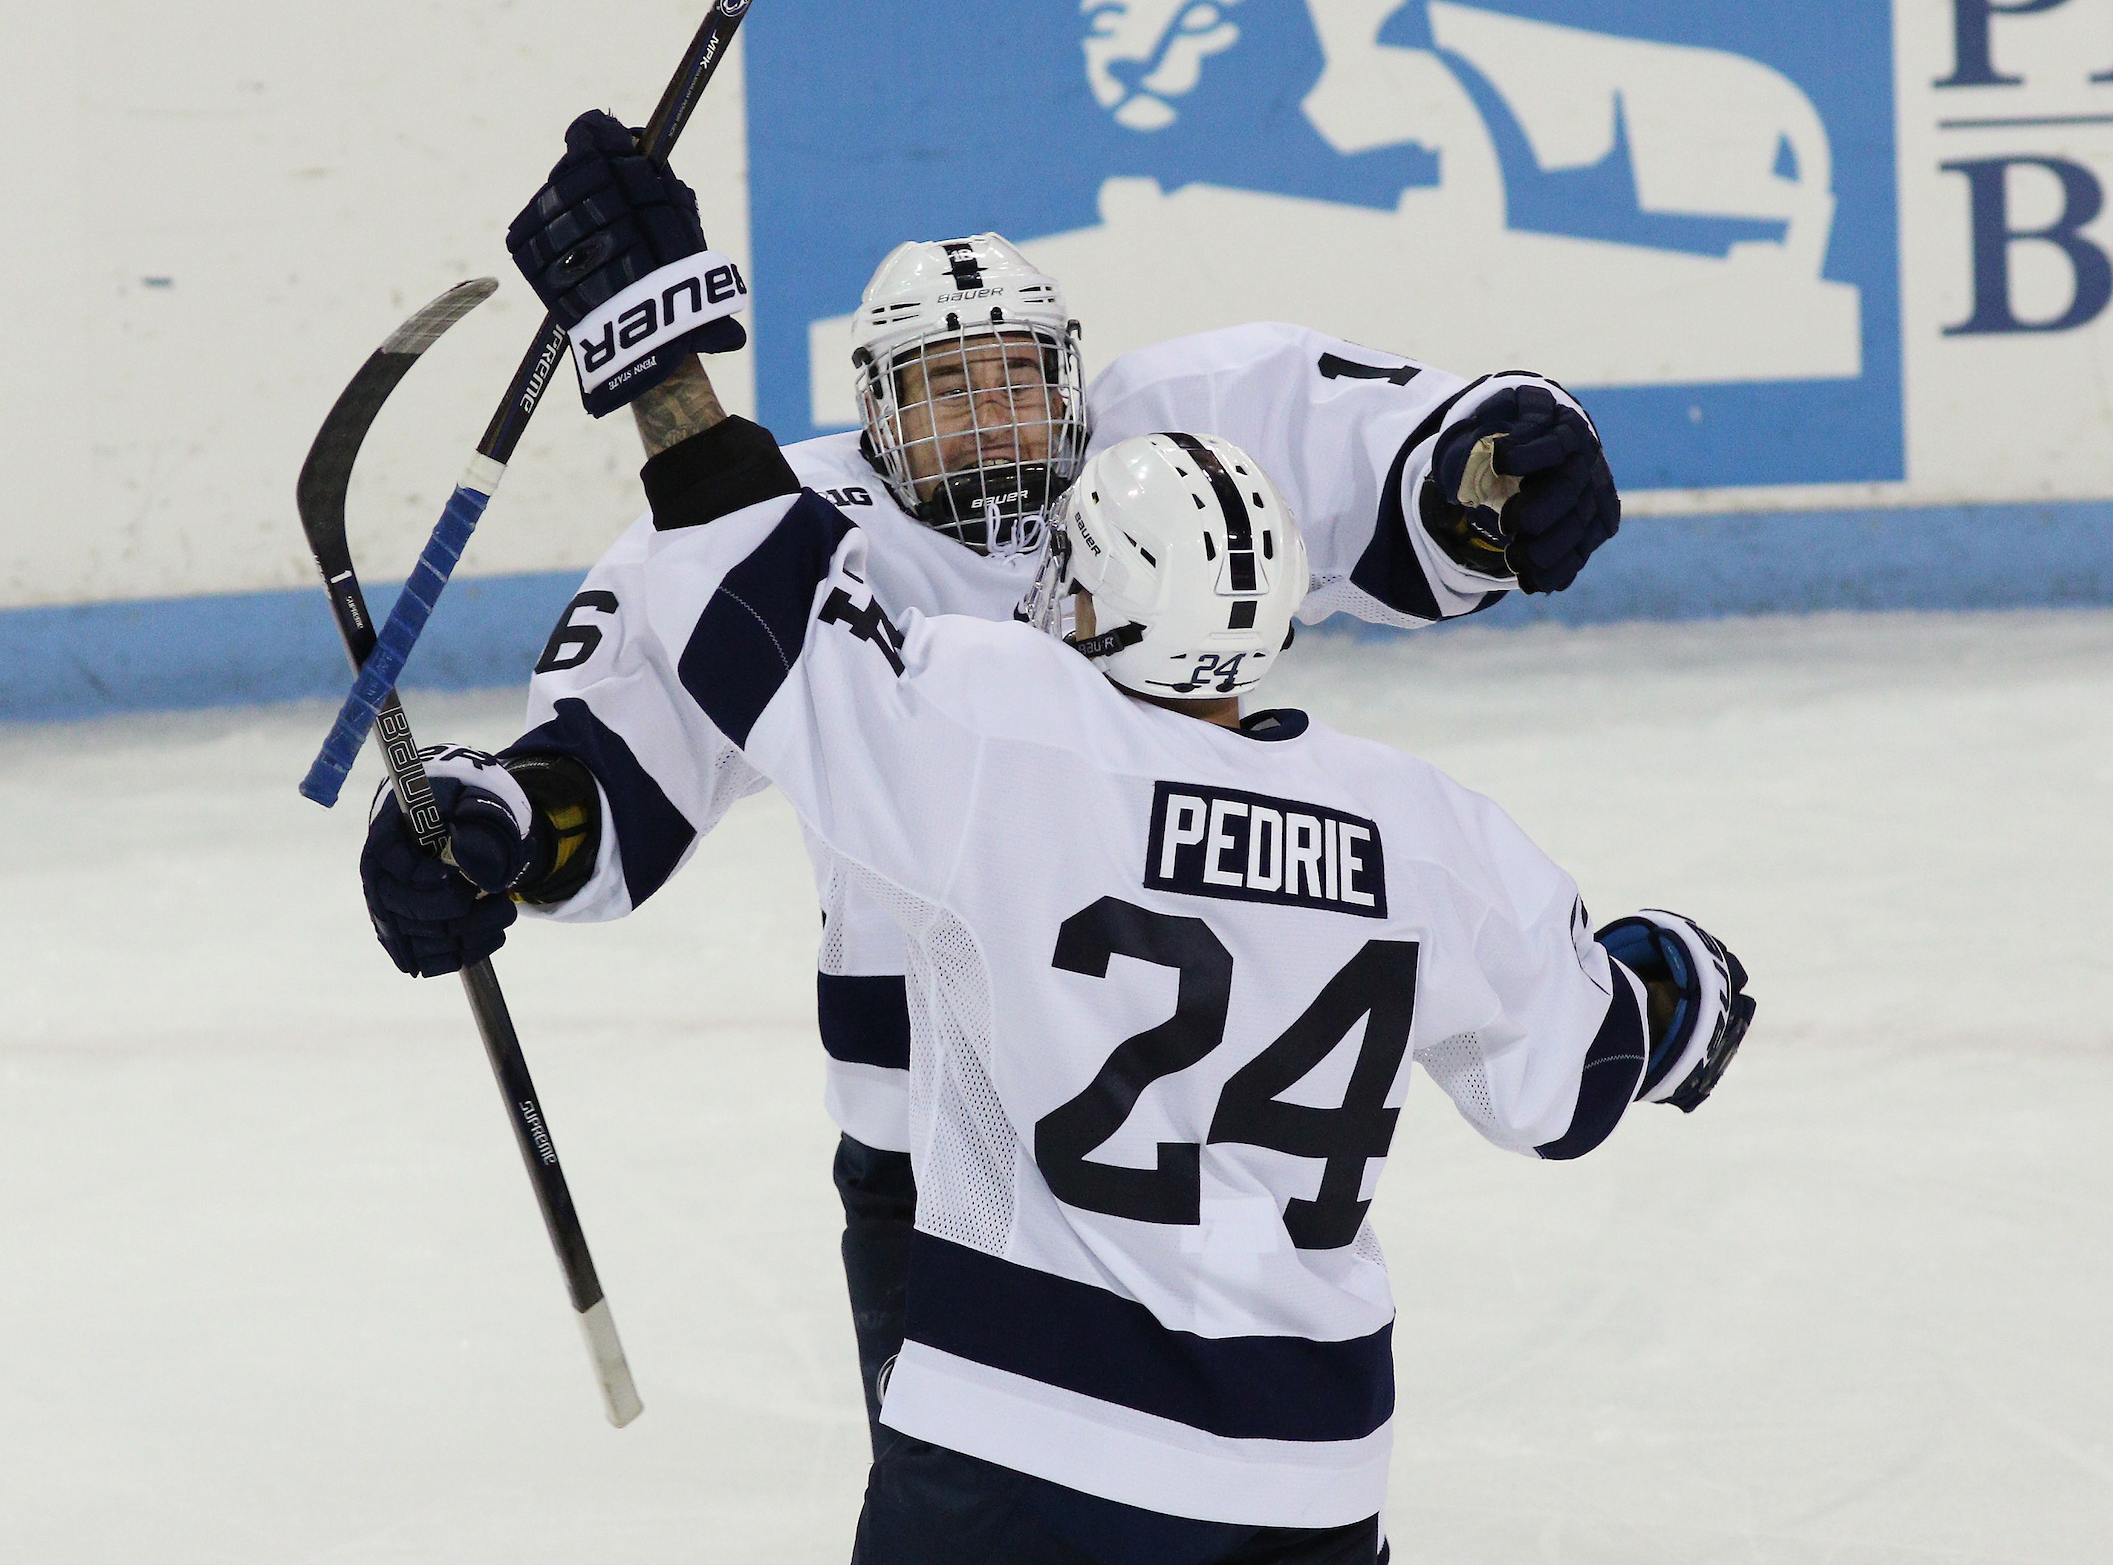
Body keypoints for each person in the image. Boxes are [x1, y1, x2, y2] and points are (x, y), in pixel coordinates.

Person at [374, 109, 1628, 1454]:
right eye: (944, 388)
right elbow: (603, 779)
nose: (989, 422)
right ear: (874, 411)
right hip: (937, 1165)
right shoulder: (784, 527)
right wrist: (491, 825)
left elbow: (1400, 447)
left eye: (1017, 380)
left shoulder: (1165, 455)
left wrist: (1499, 468)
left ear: (1072, 380)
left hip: (1207, 1143)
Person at [363, 418, 1754, 1563]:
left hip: (1025, 1454)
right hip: (1310, 1485)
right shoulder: (1429, 829)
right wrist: (1676, 980)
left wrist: (655, 352)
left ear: (1090, 599)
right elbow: (1575, 1080)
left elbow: (758, 610)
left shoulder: (1010, 739)